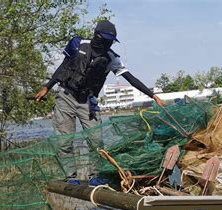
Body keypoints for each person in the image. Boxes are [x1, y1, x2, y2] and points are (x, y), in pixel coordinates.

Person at [35, 20, 164, 177]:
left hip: (87, 102)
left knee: (96, 142)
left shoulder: (112, 59)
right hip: (66, 96)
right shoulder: (78, 44)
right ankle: (71, 177)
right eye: (105, 40)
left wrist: (153, 95)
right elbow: (63, 67)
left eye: (110, 41)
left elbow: (131, 79)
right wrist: (46, 87)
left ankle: (95, 176)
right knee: (64, 141)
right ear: (97, 36)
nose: (107, 44)